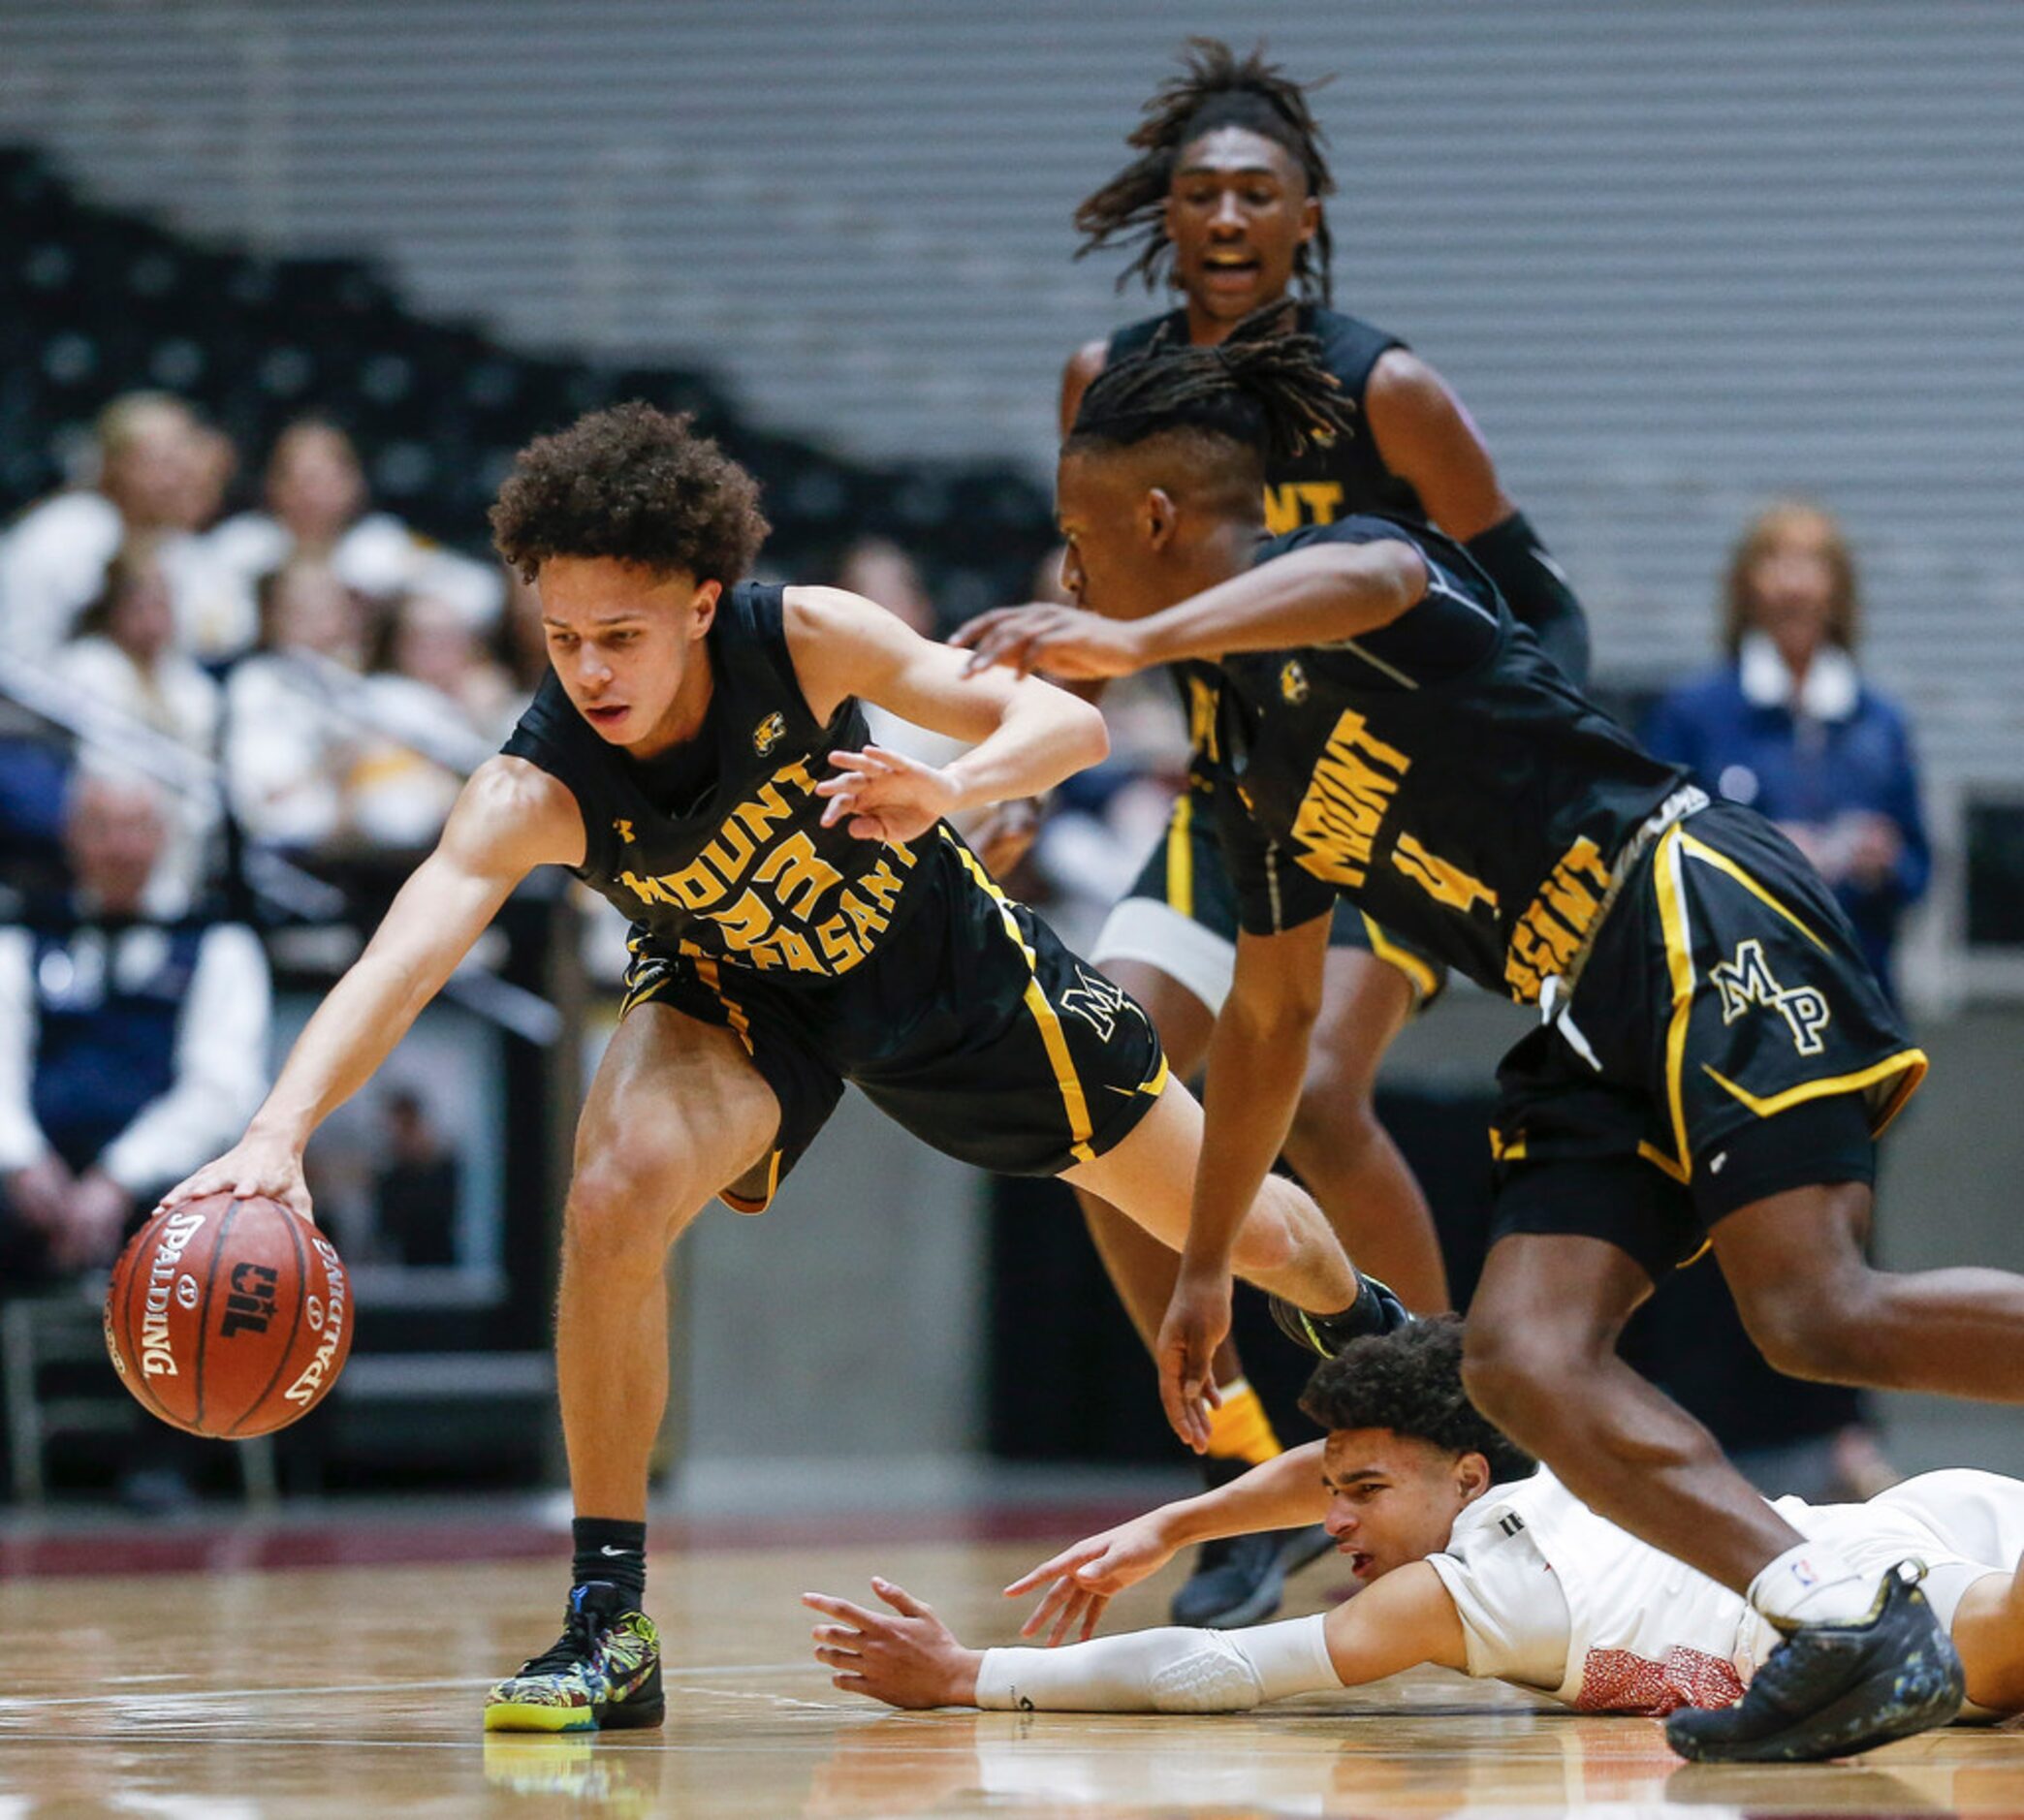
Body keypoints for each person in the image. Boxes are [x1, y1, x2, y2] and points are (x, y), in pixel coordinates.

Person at [156, 401, 1389, 1734]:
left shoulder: (800, 635)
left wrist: (950, 788)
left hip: (942, 975)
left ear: (701, 602)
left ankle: (1388, 1348)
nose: (590, 672)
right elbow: (399, 961)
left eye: (619, 636)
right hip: (736, 992)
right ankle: (608, 1618)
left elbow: (1066, 729)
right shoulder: (536, 785)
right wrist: (276, 1130)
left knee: (1254, 1230)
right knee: (613, 1189)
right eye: (562, 639)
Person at [953, 313, 2024, 1762]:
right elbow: (1269, 1022)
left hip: (1683, 898)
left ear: (1155, 517)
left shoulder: (1349, 581)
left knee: (1811, 1307)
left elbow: (1384, 562)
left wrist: (1135, 634)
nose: (1068, 575)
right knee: (1518, 1361)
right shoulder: (1245, 744)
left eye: (1081, 541)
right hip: (1579, 1002)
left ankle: (1834, 1612)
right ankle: (1838, 1618)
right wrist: (1205, 1264)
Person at [1056, 39, 1593, 1628]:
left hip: (1386, 789)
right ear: (1167, 212)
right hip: (1228, 791)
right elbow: (1087, 584)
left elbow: (1538, 603)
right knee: (1101, 1093)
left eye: (1255, 191)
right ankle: (1240, 1470)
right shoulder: (1113, 382)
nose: (1225, 214)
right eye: (1199, 190)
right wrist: (1013, 755)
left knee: (1324, 1091)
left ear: (1305, 214)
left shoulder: (1386, 389)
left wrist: (1505, 766)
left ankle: (1434, 1442)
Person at [806, 1321, 2024, 1726]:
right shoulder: (1530, 1471)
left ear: (1468, 1481)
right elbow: (1332, 1469)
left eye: (1366, 1498)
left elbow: (1218, 1665)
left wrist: (980, 1677)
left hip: (1842, 1600)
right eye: (1337, 1492)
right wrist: (1174, 1526)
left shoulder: (1445, 1593)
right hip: (1903, 1521)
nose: (1333, 1520)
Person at [1644, 500, 1928, 1005]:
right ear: (1745, 588)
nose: (1794, 585)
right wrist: (1759, 857)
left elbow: (1918, 870)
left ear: (1840, 591)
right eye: (1775, 561)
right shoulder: (1694, 714)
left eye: (1814, 563)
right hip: (1733, 1007)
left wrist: (1884, 860)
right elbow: (1650, 862)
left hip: (1858, 999)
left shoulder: (1879, 723)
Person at [0, 770, 269, 1284]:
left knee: (253, 1235)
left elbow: (221, 1093)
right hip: (34, 1180)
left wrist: (117, 1179)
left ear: (164, 835)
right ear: (71, 834)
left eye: (135, 827)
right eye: (100, 828)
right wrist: (23, 1162)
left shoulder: (217, 943)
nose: (119, 848)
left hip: (165, 1183)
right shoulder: (24, 935)